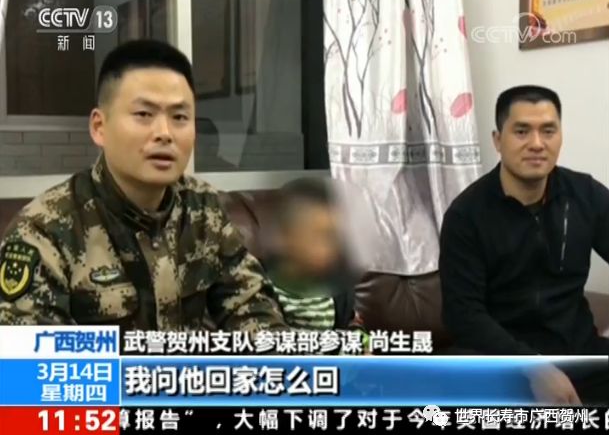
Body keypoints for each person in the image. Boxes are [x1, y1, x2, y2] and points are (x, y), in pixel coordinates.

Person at [0, 39, 286, 332]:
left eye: (179, 117)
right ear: (99, 127)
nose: (164, 133)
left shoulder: (203, 208)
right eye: (143, 114)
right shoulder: (43, 231)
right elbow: (31, 355)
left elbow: (253, 308)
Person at [439, 85, 609, 404]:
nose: (537, 144)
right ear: (497, 140)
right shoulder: (466, 215)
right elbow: (463, 314)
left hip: (580, 355)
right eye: (521, 131)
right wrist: (535, 368)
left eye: (548, 131)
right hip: (503, 363)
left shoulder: (585, 194)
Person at [265, 178, 363, 331]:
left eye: (335, 238)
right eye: (321, 236)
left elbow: (354, 324)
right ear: (287, 236)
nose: (332, 248)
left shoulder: (338, 290)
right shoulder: (257, 288)